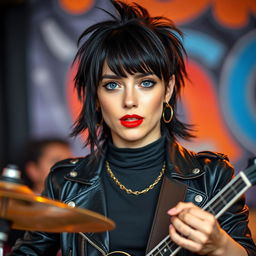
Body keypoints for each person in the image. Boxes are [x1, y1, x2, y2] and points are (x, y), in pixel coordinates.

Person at [9, 1, 256, 255]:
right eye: (113, 85)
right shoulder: (66, 183)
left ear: (168, 90)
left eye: (146, 83)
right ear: (96, 96)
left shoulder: (211, 176)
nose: (129, 101)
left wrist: (221, 246)